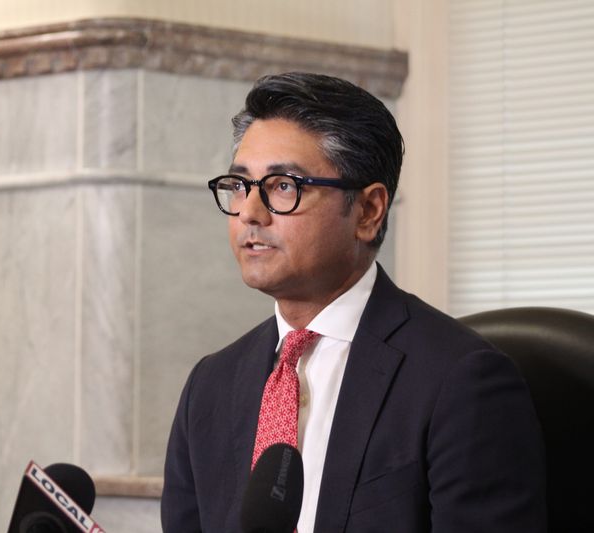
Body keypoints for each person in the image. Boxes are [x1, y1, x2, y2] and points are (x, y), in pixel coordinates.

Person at [161, 72, 546, 533]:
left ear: (368, 211)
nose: (249, 213)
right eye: (241, 185)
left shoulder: (460, 382)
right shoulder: (211, 386)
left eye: (283, 186)